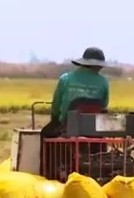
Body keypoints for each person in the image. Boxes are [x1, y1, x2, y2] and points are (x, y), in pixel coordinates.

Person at [39, 47, 110, 175]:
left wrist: (55, 121)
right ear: (98, 66)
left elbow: (56, 106)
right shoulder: (104, 82)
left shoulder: (65, 79)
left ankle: (48, 172)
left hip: (68, 127)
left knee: (45, 133)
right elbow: (103, 105)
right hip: (95, 129)